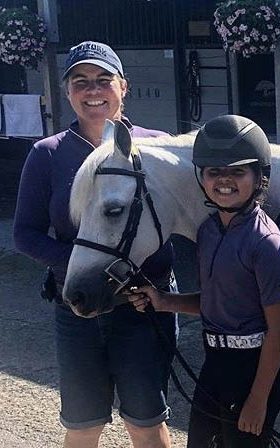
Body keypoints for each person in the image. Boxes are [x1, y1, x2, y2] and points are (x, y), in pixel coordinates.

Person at [13, 41, 176, 447]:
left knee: (146, 423)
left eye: (103, 80)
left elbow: (179, 221)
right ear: (67, 92)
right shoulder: (47, 154)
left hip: (139, 309)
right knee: (83, 426)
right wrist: (84, 265)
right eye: (80, 81)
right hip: (78, 308)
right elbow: (25, 233)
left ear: (124, 86)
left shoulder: (156, 146)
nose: (92, 90)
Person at [127, 115, 280, 448]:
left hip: (254, 367)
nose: (224, 181)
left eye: (237, 171)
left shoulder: (266, 243)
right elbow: (216, 299)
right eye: (214, 172)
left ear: (260, 176)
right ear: (201, 177)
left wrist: (258, 400)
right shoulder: (208, 231)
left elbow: (279, 329)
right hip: (216, 362)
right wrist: (163, 301)